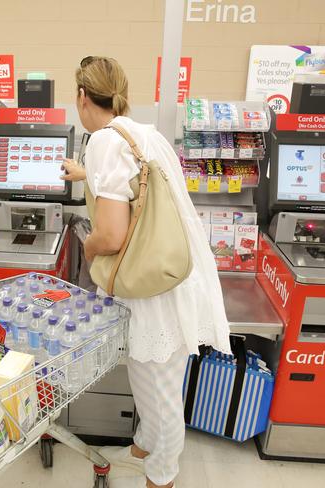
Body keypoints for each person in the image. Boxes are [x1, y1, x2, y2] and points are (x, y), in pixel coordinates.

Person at [62, 57, 231, 488]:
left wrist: (88, 245)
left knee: (161, 392)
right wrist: (86, 174)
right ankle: (142, 448)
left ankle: (162, 476)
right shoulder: (143, 133)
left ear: (83, 97)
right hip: (175, 272)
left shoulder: (102, 140)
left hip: (158, 289)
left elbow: (113, 235)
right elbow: (142, 183)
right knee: (148, 378)